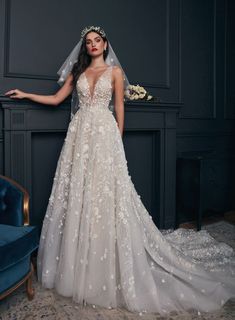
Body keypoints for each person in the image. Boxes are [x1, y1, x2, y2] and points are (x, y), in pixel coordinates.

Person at [4, 26, 235, 316]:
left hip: (104, 135)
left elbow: (119, 109)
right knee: (79, 193)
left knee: (105, 196)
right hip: (79, 137)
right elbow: (56, 99)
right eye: (88, 42)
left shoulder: (114, 73)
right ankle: (80, 267)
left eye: (96, 41)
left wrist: (117, 142)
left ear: (105, 44)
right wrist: (25, 94)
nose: (92, 45)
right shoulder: (78, 74)